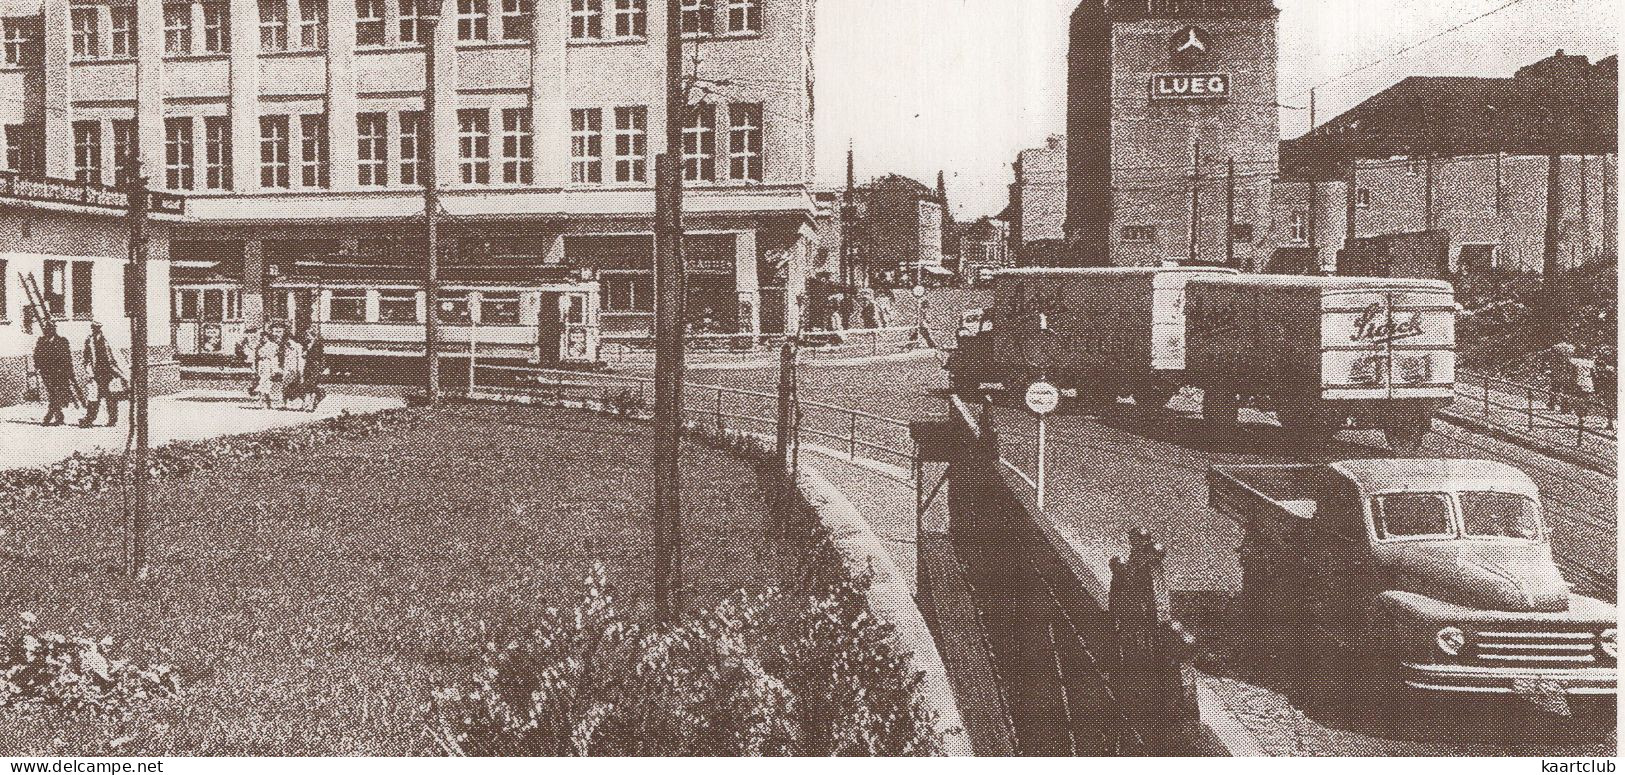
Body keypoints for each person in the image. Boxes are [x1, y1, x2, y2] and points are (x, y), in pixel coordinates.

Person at [78, 322, 128, 427]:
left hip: (109, 373)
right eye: (93, 328)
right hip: (96, 374)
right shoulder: (89, 340)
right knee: (93, 397)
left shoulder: (107, 340)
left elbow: (114, 357)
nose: (95, 329)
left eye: (97, 328)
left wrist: (120, 374)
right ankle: (89, 419)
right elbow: (86, 358)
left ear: (100, 328)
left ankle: (112, 420)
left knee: (111, 398)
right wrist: (89, 371)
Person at [32, 321, 76, 426]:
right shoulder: (41, 341)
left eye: (51, 329)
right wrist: (38, 367)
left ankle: (49, 416)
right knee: (52, 394)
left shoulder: (62, 341)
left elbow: (67, 357)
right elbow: (36, 355)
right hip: (47, 374)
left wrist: (69, 372)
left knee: (56, 394)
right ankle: (58, 416)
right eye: (47, 329)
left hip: (60, 373)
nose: (48, 331)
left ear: (54, 330)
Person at [253, 321, 304, 409]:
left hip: (289, 366)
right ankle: (279, 402)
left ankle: (296, 402)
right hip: (272, 366)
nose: (277, 334)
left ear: (284, 332)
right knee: (277, 384)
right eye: (275, 332)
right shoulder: (270, 343)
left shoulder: (289, 342)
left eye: (279, 332)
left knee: (292, 384)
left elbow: (295, 355)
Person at [1544, 343, 1578, 412]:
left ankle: (1552, 404)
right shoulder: (1571, 348)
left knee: (1555, 388)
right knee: (1566, 390)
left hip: (1557, 371)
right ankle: (1565, 406)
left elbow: (1551, 359)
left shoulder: (1555, 347)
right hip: (1567, 372)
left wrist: (1550, 368)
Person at [1594, 346, 1617, 431]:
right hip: (1608, 389)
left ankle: (1611, 422)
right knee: (1609, 406)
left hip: (1610, 388)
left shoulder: (1608, 368)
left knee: (1610, 405)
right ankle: (1610, 422)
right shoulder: (1607, 368)